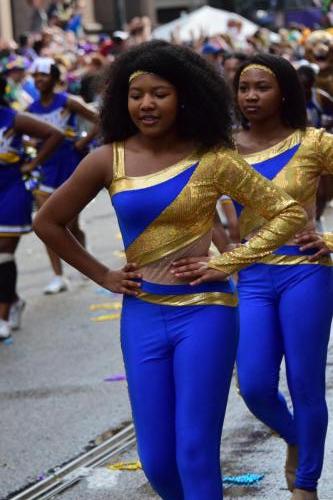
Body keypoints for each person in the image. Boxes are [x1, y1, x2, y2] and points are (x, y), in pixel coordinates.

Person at [33, 41, 306, 500]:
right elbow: (47, 221)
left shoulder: (213, 158)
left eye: (159, 93)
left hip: (206, 314)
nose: (146, 104)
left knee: (195, 452)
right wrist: (102, 275)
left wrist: (227, 261)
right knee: (157, 462)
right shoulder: (108, 159)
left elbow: (287, 213)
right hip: (141, 315)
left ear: (184, 97)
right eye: (136, 94)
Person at [173, 53, 333, 500]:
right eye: (243, 88)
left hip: (306, 272)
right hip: (254, 278)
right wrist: (223, 258)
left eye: (261, 87)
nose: (250, 96)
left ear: (284, 91)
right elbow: (194, 212)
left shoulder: (315, 142)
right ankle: (299, 438)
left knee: (305, 382)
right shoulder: (222, 150)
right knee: (256, 384)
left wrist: (331, 240)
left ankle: (306, 485)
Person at [0, 75, 64, 339]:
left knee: (3, 251)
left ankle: (2, 316)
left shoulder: (11, 118)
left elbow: (54, 133)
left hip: (11, 189)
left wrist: (33, 162)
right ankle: (13, 299)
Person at [28, 57, 98, 294]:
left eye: (44, 75)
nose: (39, 80)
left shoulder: (68, 102)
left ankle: (82, 253)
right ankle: (58, 276)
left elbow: (98, 120)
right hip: (45, 169)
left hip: (69, 165)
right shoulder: (30, 110)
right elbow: (23, 135)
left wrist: (84, 141)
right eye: (35, 76)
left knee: (69, 223)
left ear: (55, 78)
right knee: (46, 221)